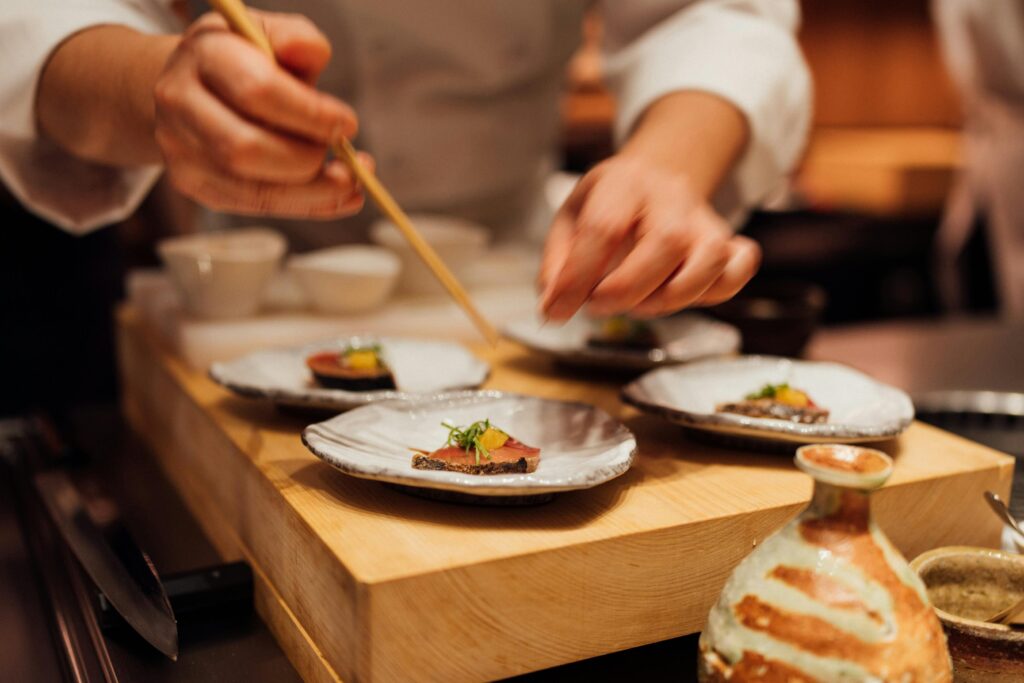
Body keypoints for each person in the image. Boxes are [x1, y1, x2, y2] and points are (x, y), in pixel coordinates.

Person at [0, 1, 810, 322]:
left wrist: (670, 164)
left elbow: (711, 13)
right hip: (251, 285)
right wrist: (159, 89)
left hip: (525, 265)